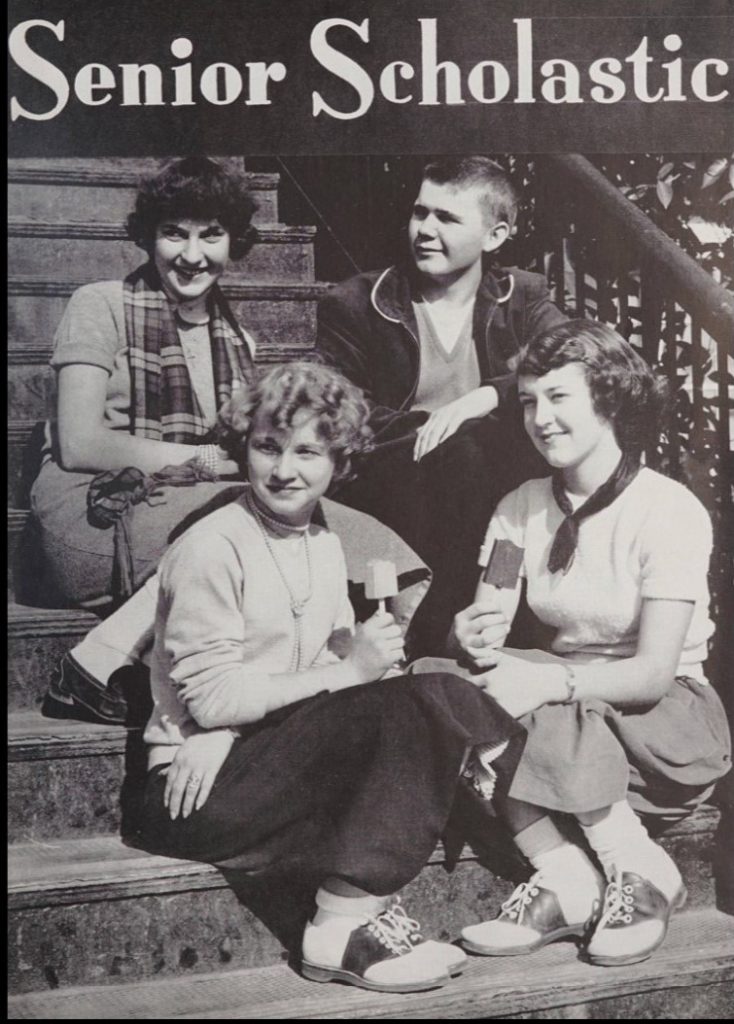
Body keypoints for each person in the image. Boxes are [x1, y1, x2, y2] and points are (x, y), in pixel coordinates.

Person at [139, 361, 525, 993]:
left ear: (338, 462)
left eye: (307, 451)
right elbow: (211, 699)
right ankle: (339, 927)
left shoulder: (322, 540)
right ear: (244, 448)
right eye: (267, 447)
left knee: (434, 688)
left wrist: (342, 674)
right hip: (191, 793)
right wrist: (234, 722)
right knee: (395, 705)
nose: (284, 469)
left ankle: (542, 846)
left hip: (262, 755)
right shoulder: (212, 546)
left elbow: (331, 676)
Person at [447, 320, 730, 966]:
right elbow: (492, 611)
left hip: (664, 722)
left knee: (544, 698)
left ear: (608, 400)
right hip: (571, 708)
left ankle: (637, 867)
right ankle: (567, 876)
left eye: (558, 398)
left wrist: (546, 682)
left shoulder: (668, 509)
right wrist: (472, 630)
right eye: (527, 401)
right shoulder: (520, 508)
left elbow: (655, 672)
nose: (539, 418)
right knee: (441, 681)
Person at [317, 156, 566, 655]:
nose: (424, 230)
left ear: (494, 236)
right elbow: (341, 408)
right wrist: (441, 431)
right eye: (419, 212)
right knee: (470, 458)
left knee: (506, 469)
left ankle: (493, 628)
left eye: (447, 218)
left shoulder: (524, 298)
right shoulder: (358, 302)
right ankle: (441, 639)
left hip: (495, 492)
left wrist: (488, 394)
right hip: (393, 485)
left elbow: (576, 358)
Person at [29, 155, 258, 609]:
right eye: (174, 232)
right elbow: (77, 445)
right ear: (150, 237)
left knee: (310, 528)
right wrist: (208, 459)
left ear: (233, 242)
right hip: (97, 507)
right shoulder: (100, 304)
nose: (192, 256)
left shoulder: (238, 339)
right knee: (269, 534)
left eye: (211, 234)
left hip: (195, 502)